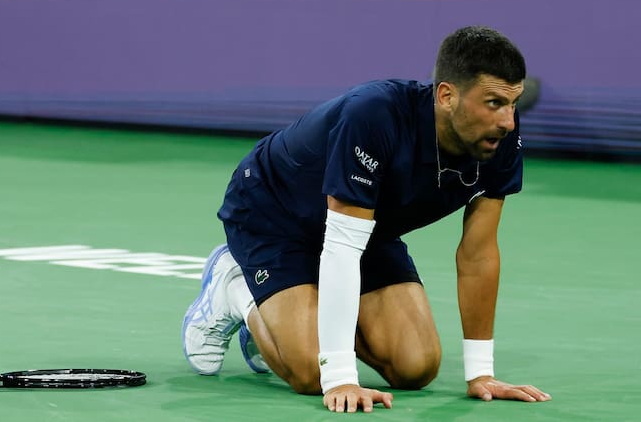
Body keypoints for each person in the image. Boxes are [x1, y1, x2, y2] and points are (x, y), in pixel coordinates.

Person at [181, 26, 552, 413]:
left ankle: (285, 316)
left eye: (513, 103)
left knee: (416, 366)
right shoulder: (373, 115)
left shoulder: (500, 138)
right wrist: (340, 375)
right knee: (313, 371)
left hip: (367, 224)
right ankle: (237, 287)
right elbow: (341, 247)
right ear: (446, 95)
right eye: (494, 103)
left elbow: (477, 254)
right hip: (276, 214)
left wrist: (481, 374)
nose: (508, 120)